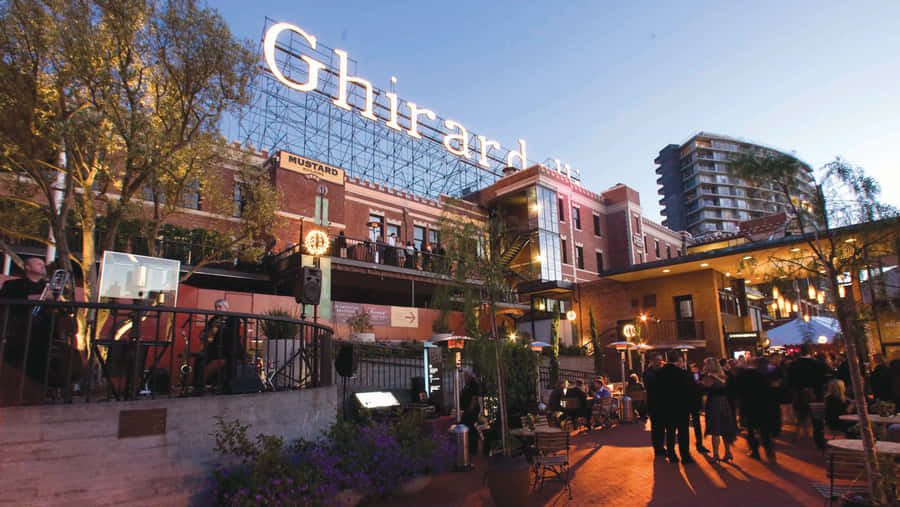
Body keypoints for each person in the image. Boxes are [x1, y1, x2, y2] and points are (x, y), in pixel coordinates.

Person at [193, 299, 244, 394]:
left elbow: (234, 334)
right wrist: (208, 332)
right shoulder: (213, 319)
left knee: (231, 362)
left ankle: (229, 388)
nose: (217, 309)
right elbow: (206, 333)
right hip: (215, 347)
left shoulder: (234, 318)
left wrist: (220, 328)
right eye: (216, 307)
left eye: (220, 307)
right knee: (200, 359)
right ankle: (198, 387)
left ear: (226, 308)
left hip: (230, 347)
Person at [736, 357, 780, 462]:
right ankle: (769, 452)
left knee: (751, 431)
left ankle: (754, 452)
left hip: (749, 406)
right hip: (764, 406)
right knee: (764, 431)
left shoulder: (744, 375)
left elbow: (739, 391)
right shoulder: (766, 375)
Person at [655, 356, 695, 464]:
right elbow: (688, 390)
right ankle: (685, 455)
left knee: (670, 432)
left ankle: (671, 454)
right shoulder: (682, 373)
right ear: (677, 361)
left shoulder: (659, 373)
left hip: (666, 407)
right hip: (681, 407)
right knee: (683, 432)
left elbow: (657, 392)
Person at [702, 357, 737, 463]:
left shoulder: (709, 378)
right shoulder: (724, 376)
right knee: (725, 429)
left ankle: (716, 454)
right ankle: (728, 452)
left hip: (714, 403)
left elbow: (704, 390)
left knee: (715, 430)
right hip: (725, 403)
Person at [644, 354, 666, 458]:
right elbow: (651, 384)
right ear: (653, 361)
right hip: (653, 403)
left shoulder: (663, 371)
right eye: (657, 360)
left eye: (661, 360)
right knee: (656, 426)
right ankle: (657, 447)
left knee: (662, 427)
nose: (659, 362)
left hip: (662, 402)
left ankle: (661, 446)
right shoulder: (649, 372)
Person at [459, 367, 481, 455]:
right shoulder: (466, 385)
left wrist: (470, 410)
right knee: (468, 428)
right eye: (463, 376)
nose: (464, 378)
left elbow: (474, 398)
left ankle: (473, 448)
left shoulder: (474, 384)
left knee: (471, 428)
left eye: (465, 376)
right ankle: (469, 447)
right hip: (466, 410)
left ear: (469, 375)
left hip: (471, 411)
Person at [688, 362, 709, 453]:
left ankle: (699, 444)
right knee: (695, 424)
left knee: (696, 423)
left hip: (695, 401)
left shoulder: (699, 375)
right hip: (692, 401)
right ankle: (697, 444)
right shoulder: (688, 375)